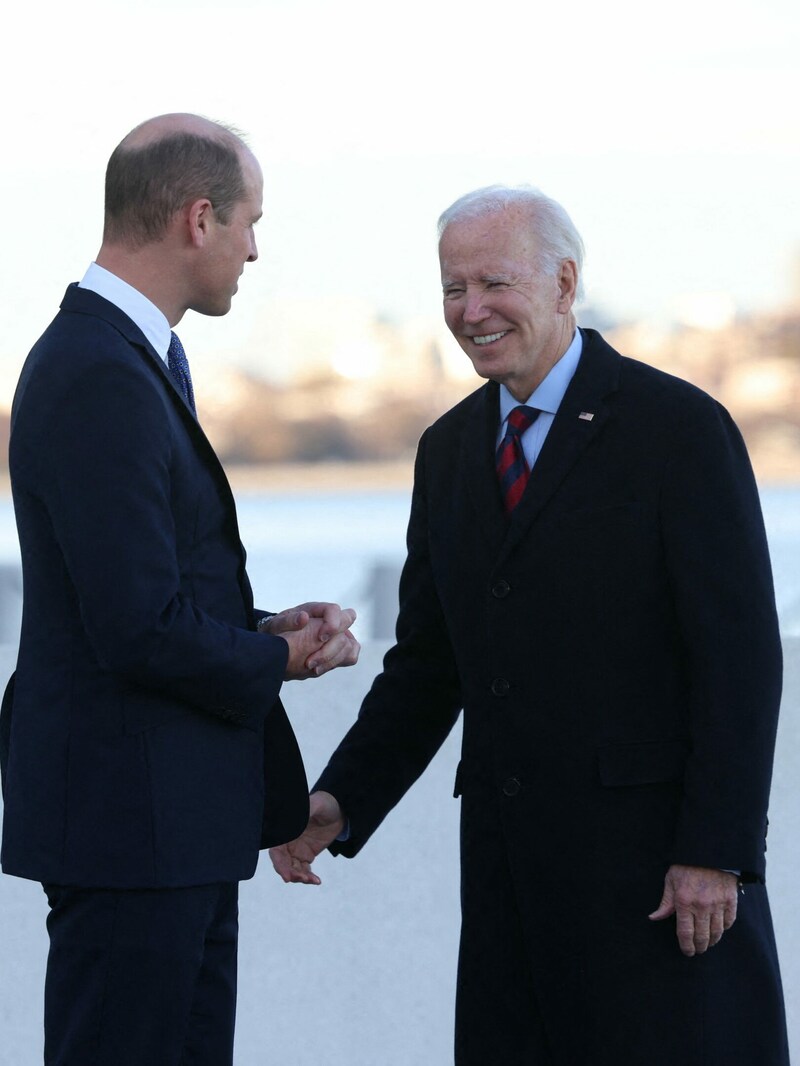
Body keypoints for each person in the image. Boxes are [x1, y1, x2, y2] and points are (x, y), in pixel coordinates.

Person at [270, 185, 789, 1064]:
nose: (471, 312)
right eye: (451, 289)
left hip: (658, 878)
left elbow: (739, 661)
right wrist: (341, 799)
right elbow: (432, 662)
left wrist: (717, 854)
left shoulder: (679, 431)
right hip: (514, 881)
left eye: (494, 284)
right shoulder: (447, 452)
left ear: (563, 282)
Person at [0, 113, 359, 1066]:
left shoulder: (130, 359)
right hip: (130, 833)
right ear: (199, 220)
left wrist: (267, 627)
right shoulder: (96, 372)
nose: (255, 249)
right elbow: (134, 629)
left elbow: (138, 591)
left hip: (171, 830)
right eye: (249, 222)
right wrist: (277, 656)